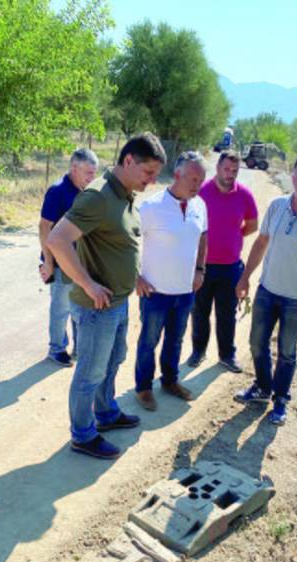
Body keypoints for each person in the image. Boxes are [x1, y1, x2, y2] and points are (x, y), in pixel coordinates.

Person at [47, 133, 167, 459]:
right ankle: (83, 435)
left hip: (118, 302)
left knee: (112, 362)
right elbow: (58, 239)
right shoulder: (98, 196)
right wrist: (87, 284)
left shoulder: (124, 193)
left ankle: (106, 413)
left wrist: (135, 277)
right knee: (89, 373)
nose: (153, 181)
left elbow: (119, 244)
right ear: (128, 161)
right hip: (97, 307)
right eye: (148, 172)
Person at [235, 154, 297, 425]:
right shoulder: (277, 206)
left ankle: (280, 399)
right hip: (267, 291)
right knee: (256, 343)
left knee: (287, 351)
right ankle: (262, 387)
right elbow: (260, 243)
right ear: (292, 177)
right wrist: (245, 277)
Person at [134, 151, 208, 412]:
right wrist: (136, 276)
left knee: (175, 340)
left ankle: (170, 382)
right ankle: (143, 388)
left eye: (202, 179)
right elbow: (127, 240)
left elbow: (202, 238)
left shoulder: (200, 206)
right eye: (194, 178)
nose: (199, 184)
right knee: (149, 341)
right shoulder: (151, 207)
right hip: (155, 291)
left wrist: (200, 269)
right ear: (178, 175)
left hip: (185, 290)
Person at [187, 150, 258, 373]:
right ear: (217, 168)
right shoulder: (201, 192)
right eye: (226, 169)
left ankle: (227, 355)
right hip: (202, 266)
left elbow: (252, 225)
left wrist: (234, 237)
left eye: (235, 171)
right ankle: (198, 351)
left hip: (230, 267)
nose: (230, 174)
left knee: (227, 313)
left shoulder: (244, 195)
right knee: (200, 312)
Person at [38, 148, 98, 367]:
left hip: (80, 260)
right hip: (60, 262)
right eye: (88, 173)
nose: (92, 178)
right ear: (74, 168)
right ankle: (57, 349)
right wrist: (49, 262)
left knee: (79, 306)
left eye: (94, 173)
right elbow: (44, 227)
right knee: (61, 307)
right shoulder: (58, 191)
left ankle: (78, 349)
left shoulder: (85, 192)